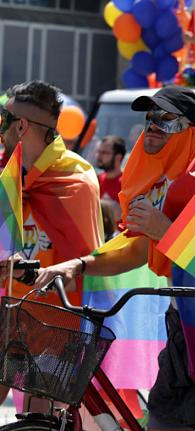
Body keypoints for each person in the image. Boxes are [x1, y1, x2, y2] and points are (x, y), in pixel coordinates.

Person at [34, 85, 195, 429]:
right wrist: (79, 264)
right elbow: (136, 249)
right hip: (183, 327)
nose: (153, 125)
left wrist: (164, 229)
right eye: (150, 118)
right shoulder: (164, 184)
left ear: (191, 131)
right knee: (162, 422)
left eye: (166, 119)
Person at [0, 81, 103, 406]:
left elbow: (88, 259)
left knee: (38, 418)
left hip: (54, 321)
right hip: (7, 311)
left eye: (2, 119)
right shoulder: (6, 173)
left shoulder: (76, 179)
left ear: (21, 125)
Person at [95, 135, 125, 202]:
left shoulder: (125, 185)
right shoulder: (97, 180)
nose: (99, 156)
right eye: (99, 152)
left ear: (118, 157)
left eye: (104, 152)